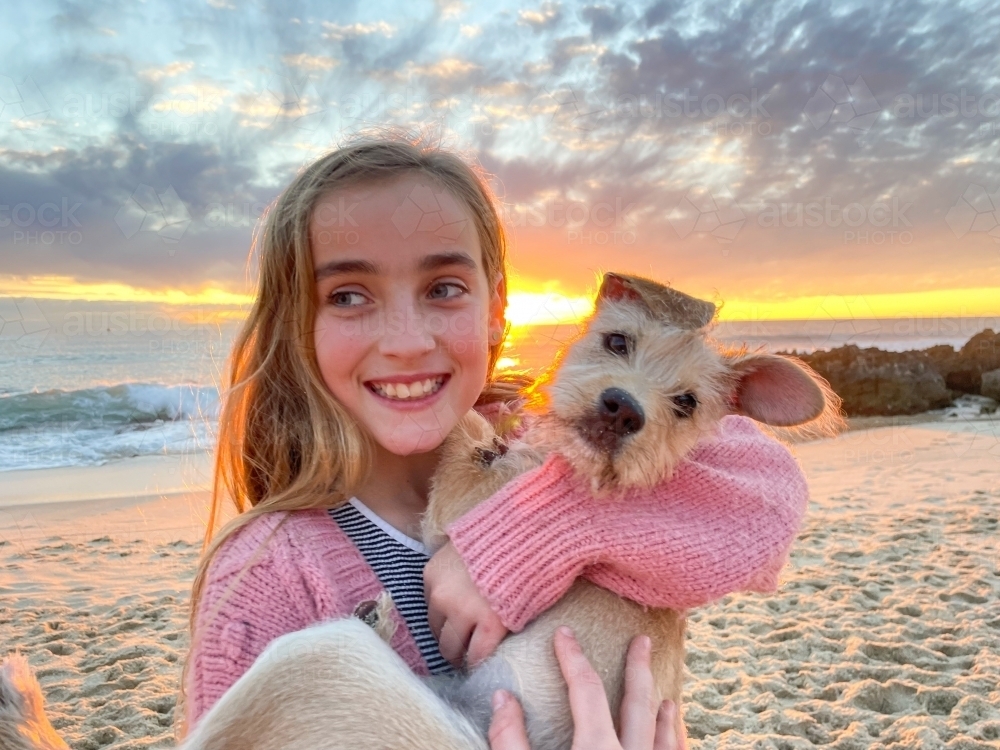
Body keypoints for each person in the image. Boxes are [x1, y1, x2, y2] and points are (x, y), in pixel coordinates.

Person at [176, 134, 810, 747]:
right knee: (321, 660)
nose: (406, 340)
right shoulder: (262, 578)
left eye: (444, 288)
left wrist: (540, 529)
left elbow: (768, 499)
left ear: (497, 307)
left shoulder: (537, 437)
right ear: (297, 324)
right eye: (347, 295)